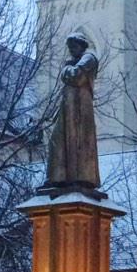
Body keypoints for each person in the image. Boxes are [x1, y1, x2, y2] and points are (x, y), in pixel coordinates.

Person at [46, 33, 101, 190]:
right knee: (58, 139)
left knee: (78, 141)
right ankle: (59, 177)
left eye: (74, 47)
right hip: (68, 106)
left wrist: (66, 68)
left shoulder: (89, 58)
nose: (71, 51)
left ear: (82, 46)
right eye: (69, 48)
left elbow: (75, 76)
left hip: (79, 107)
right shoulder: (78, 60)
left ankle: (81, 177)